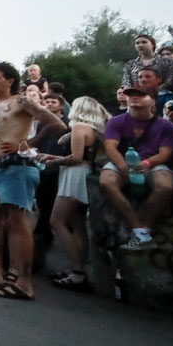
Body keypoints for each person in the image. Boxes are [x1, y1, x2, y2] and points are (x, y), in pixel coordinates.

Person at [0, 62, 66, 301]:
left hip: (19, 167)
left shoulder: (22, 101)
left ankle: (24, 283)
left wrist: (26, 144)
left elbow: (57, 124)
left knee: (17, 222)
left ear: (10, 80)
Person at [98, 87, 173, 251]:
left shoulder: (166, 126)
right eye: (130, 95)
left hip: (152, 162)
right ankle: (139, 230)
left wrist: (147, 163)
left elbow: (165, 153)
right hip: (122, 160)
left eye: (140, 95)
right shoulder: (116, 121)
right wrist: (124, 168)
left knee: (165, 186)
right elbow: (110, 148)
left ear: (152, 101)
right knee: (107, 181)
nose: (133, 98)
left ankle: (144, 230)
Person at [44, 97, 109, 291]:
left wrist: (53, 161)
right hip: (84, 173)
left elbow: (76, 158)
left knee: (57, 221)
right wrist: (52, 156)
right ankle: (76, 269)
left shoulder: (80, 127)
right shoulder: (95, 130)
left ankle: (77, 271)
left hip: (75, 175)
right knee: (77, 224)